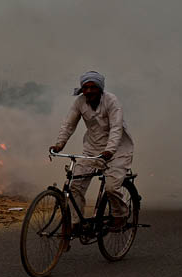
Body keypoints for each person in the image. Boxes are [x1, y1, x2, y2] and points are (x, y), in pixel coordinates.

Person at [49, 71, 134, 231]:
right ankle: (76, 223)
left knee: (111, 188)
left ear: (100, 88)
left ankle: (120, 214)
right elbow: (68, 124)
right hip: (92, 149)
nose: (88, 91)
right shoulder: (80, 102)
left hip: (117, 150)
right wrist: (59, 144)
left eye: (92, 87)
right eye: (85, 88)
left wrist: (110, 150)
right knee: (75, 186)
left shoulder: (111, 101)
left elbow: (116, 128)